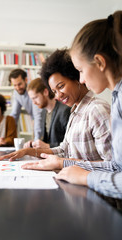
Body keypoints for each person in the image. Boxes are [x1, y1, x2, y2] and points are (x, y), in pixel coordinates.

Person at [0, 49, 111, 165]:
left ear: (76, 78)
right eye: (54, 91)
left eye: (61, 86)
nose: (58, 96)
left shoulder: (97, 110)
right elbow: (63, 150)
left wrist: (63, 163)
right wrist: (28, 151)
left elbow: (113, 165)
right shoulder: (75, 112)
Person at [54, 11, 122, 200]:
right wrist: (65, 165)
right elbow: (116, 166)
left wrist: (86, 177)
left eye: (81, 71)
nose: (81, 79)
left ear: (100, 62)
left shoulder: (105, 105)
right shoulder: (117, 98)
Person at [24, 77, 71, 148]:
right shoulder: (43, 112)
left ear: (45, 92)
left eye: (35, 98)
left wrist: (47, 146)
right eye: (32, 99)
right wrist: (34, 144)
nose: (34, 102)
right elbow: (46, 141)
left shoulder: (64, 111)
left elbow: (70, 144)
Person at [9, 69, 44, 141]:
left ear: (26, 80)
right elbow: (14, 114)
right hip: (34, 121)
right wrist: (7, 134)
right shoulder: (16, 93)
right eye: (15, 85)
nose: (17, 88)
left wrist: (37, 139)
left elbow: (38, 116)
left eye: (19, 84)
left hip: (43, 121)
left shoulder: (33, 90)